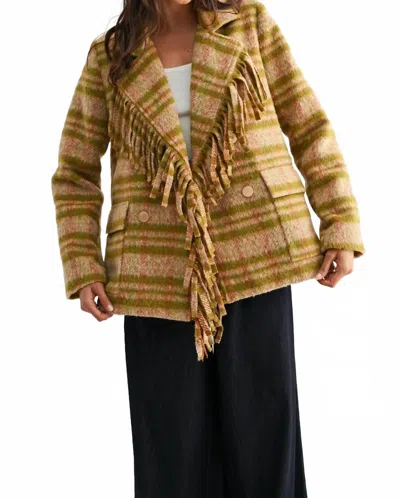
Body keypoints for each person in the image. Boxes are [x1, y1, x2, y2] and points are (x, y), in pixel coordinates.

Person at [51, 0, 365, 496]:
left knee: (264, 443)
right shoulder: (111, 56)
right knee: (170, 454)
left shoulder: (249, 23)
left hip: (257, 255)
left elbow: (309, 126)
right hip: (156, 274)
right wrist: (83, 264)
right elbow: (75, 172)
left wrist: (340, 222)